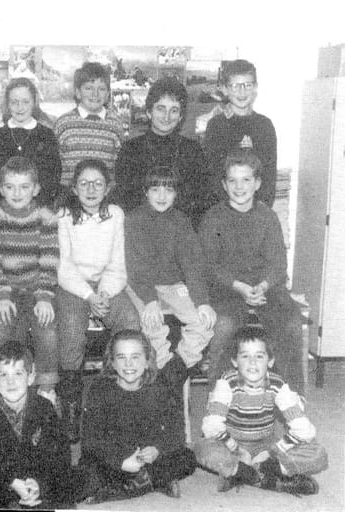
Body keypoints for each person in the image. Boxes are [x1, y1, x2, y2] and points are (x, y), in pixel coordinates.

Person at [198, 149, 304, 392]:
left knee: (290, 323)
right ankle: (220, 397)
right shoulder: (213, 218)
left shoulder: (267, 216)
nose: (239, 187)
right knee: (224, 326)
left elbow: (278, 264)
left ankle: (291, 397)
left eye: (246, 180)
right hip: (227, 290)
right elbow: (209, 265)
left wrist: (263, 286)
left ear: (257, 184)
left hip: (266, 290)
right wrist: (240, 287)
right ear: (224, 185)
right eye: (232, 180)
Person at [56, 158, 140, 443]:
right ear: (74, 188)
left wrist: (104, 293)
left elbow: (118, 263)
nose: (91, 189)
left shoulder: (115, 215)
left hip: (106, 284)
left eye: (98, 184)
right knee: (71, 328)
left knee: (129, 320)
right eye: (84, 183)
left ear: (107, 188)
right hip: (73, 286)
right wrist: (89, 296)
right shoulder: (64, 216)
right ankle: (71, 404)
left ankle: (117, 393)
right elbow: (63, 267)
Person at [195, 327, 327, 495]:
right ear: (235, 361)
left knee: (318, 454)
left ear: (270, 361)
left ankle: (242, 473)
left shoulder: (279, 386)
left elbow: (304, 430)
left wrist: (271, 452)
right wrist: (237, 449)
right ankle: (267, 480)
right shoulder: (226, 383)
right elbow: (211, 426)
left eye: (259, 356)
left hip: (265, 445)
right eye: (245, 356)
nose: (252, 362)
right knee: (201, 448)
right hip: (231, 444)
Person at [0, 341, 84, 508]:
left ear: (30, 378)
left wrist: (38, 485)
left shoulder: (44, 407)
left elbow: (59, 457)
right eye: (4, 375)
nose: (11, 382)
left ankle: (31, 499)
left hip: (34, 483)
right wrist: (11, 482)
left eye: (18, 374)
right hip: (1, 486)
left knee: (73, 479)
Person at [80, 330, 197, 503]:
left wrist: (157, 449)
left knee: (187, 458)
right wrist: (121, 461)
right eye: (121, 357)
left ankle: (125, 488)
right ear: (112, 362)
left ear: (147, 361)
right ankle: (148, 482)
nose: (129, 364)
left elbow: (177, 431)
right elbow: (90, 440)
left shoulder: (159, 388)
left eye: (135, 357)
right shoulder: (100, 389)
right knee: (87, 472)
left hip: (147, 457)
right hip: (114, 456)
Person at [0, 156, 59, 404]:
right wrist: (1, 296)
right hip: (5, 287)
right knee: (0, 327)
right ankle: (2, 384)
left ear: (36, 189)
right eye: (10, 187)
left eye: (24, 187)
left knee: (47, 328)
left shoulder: (46, 216)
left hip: (37, 287)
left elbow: (49, 260)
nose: (17, 193)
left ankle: (46, 388)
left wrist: (44, 296)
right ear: (0, 189)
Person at [124, 166, 216, 370]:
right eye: (155, 189)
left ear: (176, 194)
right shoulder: (134, 220)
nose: (162, 196)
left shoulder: (181, 221)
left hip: (172, 285)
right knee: (152, 324)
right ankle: (162, 369)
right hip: (141, 285)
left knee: (204, 322)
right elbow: (136, 267)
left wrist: (202, 302)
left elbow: (193, 264)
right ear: (146, 192)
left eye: (169, 190)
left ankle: (177, 368)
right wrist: (150, 301)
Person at [113, 76, 213, 228]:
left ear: (181, 116)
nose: (167, 117)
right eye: (160, 109)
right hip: (141, 229)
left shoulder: (193, 150)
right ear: (148, 112)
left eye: (174, 110)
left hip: (182, 231)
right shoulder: (130, 150)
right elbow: (126, 199)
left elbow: (200, 200)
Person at [204, 59, 277, 208]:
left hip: (256, 210)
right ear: (225, 89)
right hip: (224, 211)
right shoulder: (216, 126)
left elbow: (269, 177)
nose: (242, 92)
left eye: (247, 85)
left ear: (255, 88)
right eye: (235, 86)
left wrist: (259, 210)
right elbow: (213, 176)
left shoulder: (265, 126)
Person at [0, 77, 60, 207]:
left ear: (34, 102)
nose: (20, 107)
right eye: (14, 102)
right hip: (5, 209)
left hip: (38, 208)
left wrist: (36, 207)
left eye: (26, 102)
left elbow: (53, 176)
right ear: (7, 104)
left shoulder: (46, 136)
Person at [54, 62, 123, 188]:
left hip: (104, 196)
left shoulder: (115, 124)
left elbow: (119, 167)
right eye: (89, 88)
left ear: (108, 94)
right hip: (69, 195)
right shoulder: (64, 124)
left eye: (101, 89)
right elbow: (55, 165)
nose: (95, 94)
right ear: (78, 92)